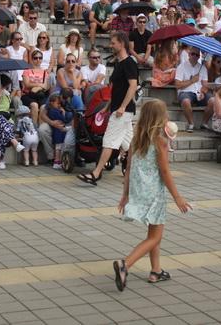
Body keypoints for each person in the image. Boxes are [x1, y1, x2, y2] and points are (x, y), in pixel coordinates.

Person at [114, 99, 191, 291]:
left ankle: (156, 270)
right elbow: (165, 173)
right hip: (154, 194)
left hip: (138, 191)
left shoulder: (136, 138)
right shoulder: (160, 142)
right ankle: (125, 264)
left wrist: (125, 194)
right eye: (165, 114)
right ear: (159, 118)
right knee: (155, 236)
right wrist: (178, 197)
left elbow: (129, 168)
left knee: (153, 232)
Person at [78, 31, 138, 186]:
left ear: (122, 44)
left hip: (122, 111)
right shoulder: (119, 64)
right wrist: (106, 107)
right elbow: (116, 90)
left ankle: (96, 173)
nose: (111, 45)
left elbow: (133, 86)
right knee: (129, 144)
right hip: (118, 109)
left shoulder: (130, 63)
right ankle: (136, 173)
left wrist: (122, 107)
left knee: (109, 141)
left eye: (113, 43)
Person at [0, 74, 24, 170]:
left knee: (1, 130)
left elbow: (6, 110)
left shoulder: (6, 95)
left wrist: (5, 96)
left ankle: (0, 160)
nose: (6, 88)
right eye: (5, 86)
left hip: (5, 121)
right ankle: (14, 142)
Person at [175, 47, 216, 132]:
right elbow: (178, 85)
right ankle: (191, 124)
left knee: (213, 100)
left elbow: (205, 84)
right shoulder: (181, 67)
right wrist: (191, 81)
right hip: (186, 91)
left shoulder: (202, 68)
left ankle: (204, 123)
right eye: (193, 54)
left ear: (199, 56)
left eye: (197, 55)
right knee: (186, 101)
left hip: (199, 92)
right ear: (189, 54)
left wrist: (202, 92)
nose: (194, 56)